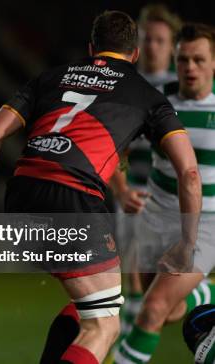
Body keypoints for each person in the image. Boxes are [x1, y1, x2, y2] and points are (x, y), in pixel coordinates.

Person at [0, 10, 201, 364]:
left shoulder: (51, 77)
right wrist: (188, 243)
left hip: (21, 194)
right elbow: (189, 174)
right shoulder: (147, 95)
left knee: (95, 304)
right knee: (104, 326)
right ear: (134, 55)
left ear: (91, 49)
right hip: (73, 198)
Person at [113, 23, 215, 364]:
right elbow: (113, 149)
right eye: (184, 60)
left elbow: (190, 174)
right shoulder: (157, 106)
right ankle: (207, 292)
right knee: (162, 308)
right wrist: (123, 188)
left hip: (203, 226)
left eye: (199, 60)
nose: (190, 68)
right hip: (155, 219)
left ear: (214, 63)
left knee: (153, 309)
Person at [110, 4, 182, 338]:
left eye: (159, 39)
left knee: (171, 296)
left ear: (172, 46)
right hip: (136, 194)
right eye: (146, 39)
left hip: (177, 200)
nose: (152, 45)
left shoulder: (186, 88)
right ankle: (125, 352)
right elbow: (108, 147)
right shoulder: (124, 85)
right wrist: (121, 190)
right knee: (134, 281)